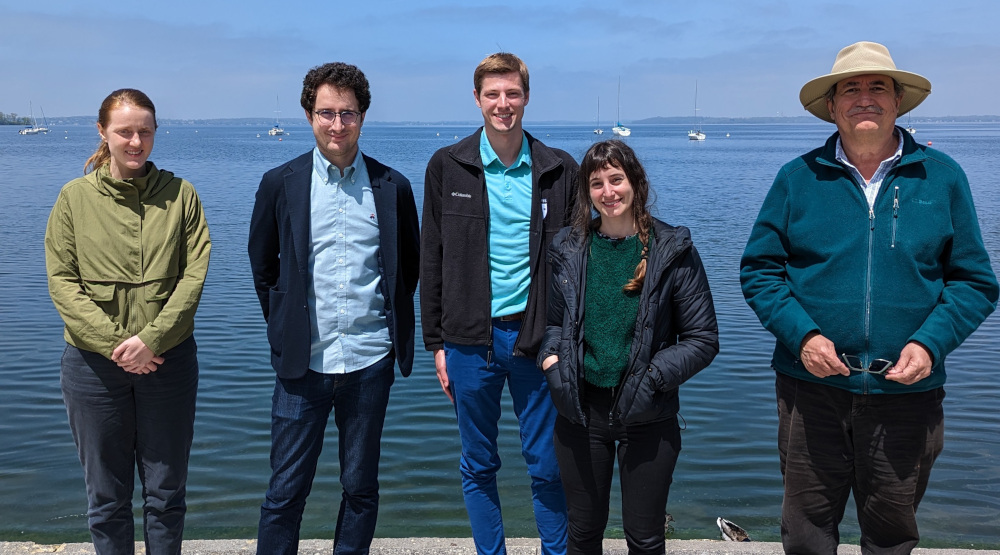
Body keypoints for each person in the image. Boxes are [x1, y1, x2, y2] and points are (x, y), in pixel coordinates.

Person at [740, 41, 998, 553]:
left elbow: (974, 282)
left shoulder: (942, 177)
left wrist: (929, 345)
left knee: (890, 536)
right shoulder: (796, 178)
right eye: (850, 89)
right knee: (807, 533)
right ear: (832, 107)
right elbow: (760, 272)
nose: (864, 98)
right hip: (809, 390)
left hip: (908, 394)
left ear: (898, 101)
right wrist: (804, 337)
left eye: (877, 87)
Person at [248, 62, 419, 555]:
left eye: (348, 113)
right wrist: (284, 327)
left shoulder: (393, 187)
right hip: (303, 364)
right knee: (284, 493)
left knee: (360, 488)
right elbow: (262, 264)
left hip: (369, 362)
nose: (337, 125)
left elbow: (408, 266)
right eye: (327, 113)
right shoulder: (281, 182)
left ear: (363, 116)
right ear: (308, 115)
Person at [420, 52, 575, 555]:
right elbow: (431, 259)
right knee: (477, 464)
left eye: (512, 94)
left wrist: (568, 339)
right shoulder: (449, 166)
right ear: (477, 99)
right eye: (493, 94)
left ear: (526, 97)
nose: (502, 104)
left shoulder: (559, 170)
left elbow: (578, 266)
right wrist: (436, 345)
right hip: (469, 342)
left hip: (538, 341)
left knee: (548, 466)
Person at [44, 88, 211, 555]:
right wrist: (120, 345)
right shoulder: (73, 199)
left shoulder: (182, 197)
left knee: (166, 494)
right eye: (124, 132)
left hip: (169, 363)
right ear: (103, 132)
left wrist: (152, 339)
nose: (135, 141)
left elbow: (194, 277)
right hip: (92, 369)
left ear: (155, 132)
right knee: (106, 497)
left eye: (144, 131)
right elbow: (62, 282)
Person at [538, 140, 719, 555]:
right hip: (581, 412)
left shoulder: (672, 249)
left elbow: (703, 339)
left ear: (635, 182)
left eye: (616, 179)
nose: (608, 192)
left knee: (645, 536)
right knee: (582, 533)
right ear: (587, 191)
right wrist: (552, 362)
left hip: (649, 414)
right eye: (597, 183)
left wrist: (653, 377)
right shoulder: (568, 247)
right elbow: (554, 323)